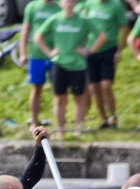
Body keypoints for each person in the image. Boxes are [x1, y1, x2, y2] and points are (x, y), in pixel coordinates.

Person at [34, 0, 106, 134]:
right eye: (66, 2)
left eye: (72, 2)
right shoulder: (55, 19)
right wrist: (49, 52)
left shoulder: (83, 20)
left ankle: (78, 129)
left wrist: (89, 51)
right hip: (60, 63)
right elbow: (38, 37)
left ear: (75, 4)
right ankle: (60, 131)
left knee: (79, 98)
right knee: (59, 98)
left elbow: (101, 36)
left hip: (78, 65)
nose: (69, 4)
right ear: (61, 3)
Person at [77, 0, 128, 129]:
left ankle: (112, 116)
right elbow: (83, 24)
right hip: (90, 50)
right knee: (93, 87)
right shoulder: (89, 4)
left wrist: (119, 50)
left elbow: (124, 27)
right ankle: (103, 118)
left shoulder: (116, 5)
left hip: (108, 48)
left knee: (106, 85)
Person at [19, 0, 61, 130]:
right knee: (37, 88)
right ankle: (34, 121)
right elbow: (25, 30)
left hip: (56, 54)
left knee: (58, 90)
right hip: (36, 54)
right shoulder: (32, 7)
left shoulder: (59, 6)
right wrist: (23, 53)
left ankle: (59, 123)